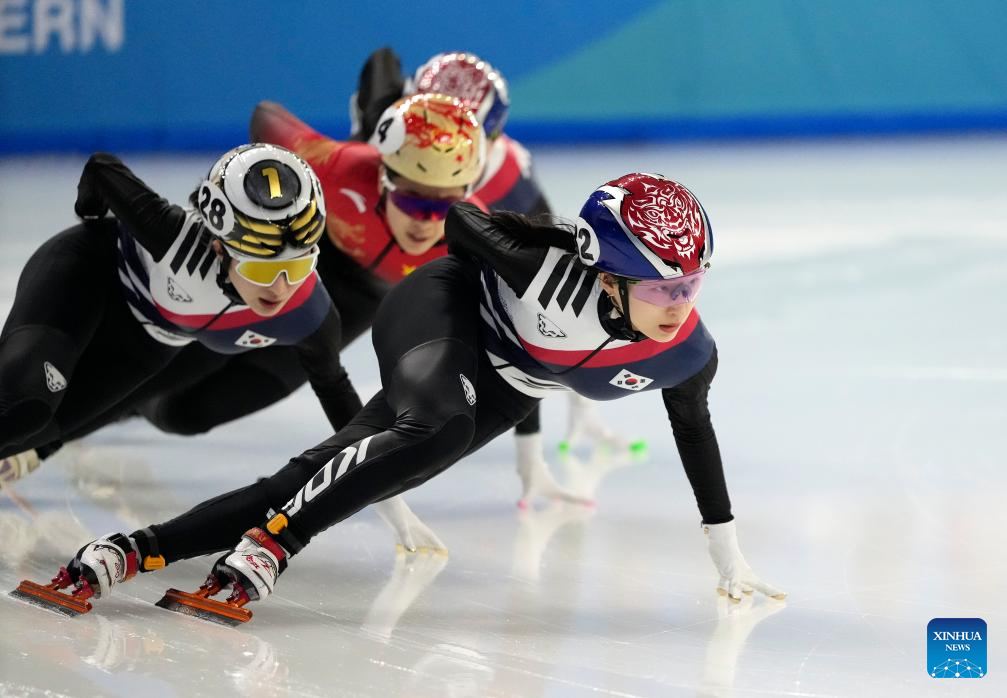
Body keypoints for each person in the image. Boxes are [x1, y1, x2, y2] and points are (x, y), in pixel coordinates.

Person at [35, 173, 785, 617]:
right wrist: (538, 238)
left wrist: (727, 555)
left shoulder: (687, 352)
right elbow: (461, 221)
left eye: (691, 284)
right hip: (440, 313)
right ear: (604, 273)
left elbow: (695, 431)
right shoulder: (545, 274)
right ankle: (272, 546)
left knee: (338, 468)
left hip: (508, 381)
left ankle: (131, 550)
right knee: (439, 427)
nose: (677, 304)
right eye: (659, 286)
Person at [0, 144, 361, 485]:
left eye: (297, 267)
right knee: (23, 404)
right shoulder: (177, 240)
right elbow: (101, 169)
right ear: (219, 248)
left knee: (35, 434)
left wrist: (382, 488)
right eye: (261, 270)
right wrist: (90, 216)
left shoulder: (308, 309)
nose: (281, 288)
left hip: (147, 342)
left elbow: (335, 387)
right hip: (87, 276)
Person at [351, 48, 629, 470]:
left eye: (469, 137)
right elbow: (379, 65)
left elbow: (552, 294)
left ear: (494, 138)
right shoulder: (389, 132)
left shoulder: (508, 178)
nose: (446, 149)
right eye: (432, 132)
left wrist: (574, 407)